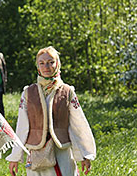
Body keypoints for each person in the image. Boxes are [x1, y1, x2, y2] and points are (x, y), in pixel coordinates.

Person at [7, 46, 96, 176]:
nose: (46, 66)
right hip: (36, 152)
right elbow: (22, 126)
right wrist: (15, 157)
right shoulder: (28, 93)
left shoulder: (67, 92)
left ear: (57, 64)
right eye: (41, 63)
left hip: (61, 153)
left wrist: (84, 155)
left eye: (51, 62)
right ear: (37, 67)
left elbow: (78, 124)